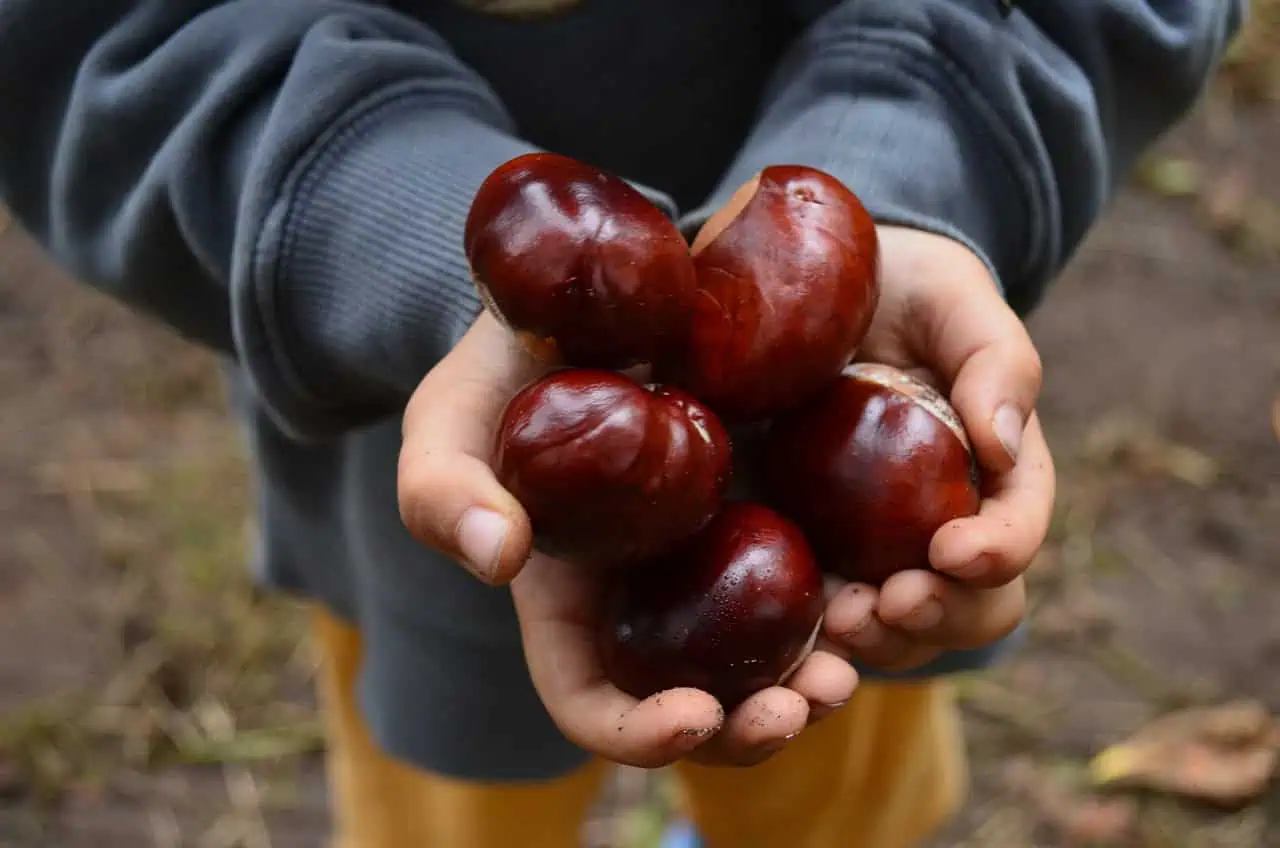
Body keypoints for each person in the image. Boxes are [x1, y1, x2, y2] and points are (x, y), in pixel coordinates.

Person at [0, 1, 1244, 846]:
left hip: (828, 537)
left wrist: (923, 140)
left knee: (834, 780)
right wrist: (372, 210)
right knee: (453, 795)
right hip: (412, 462)